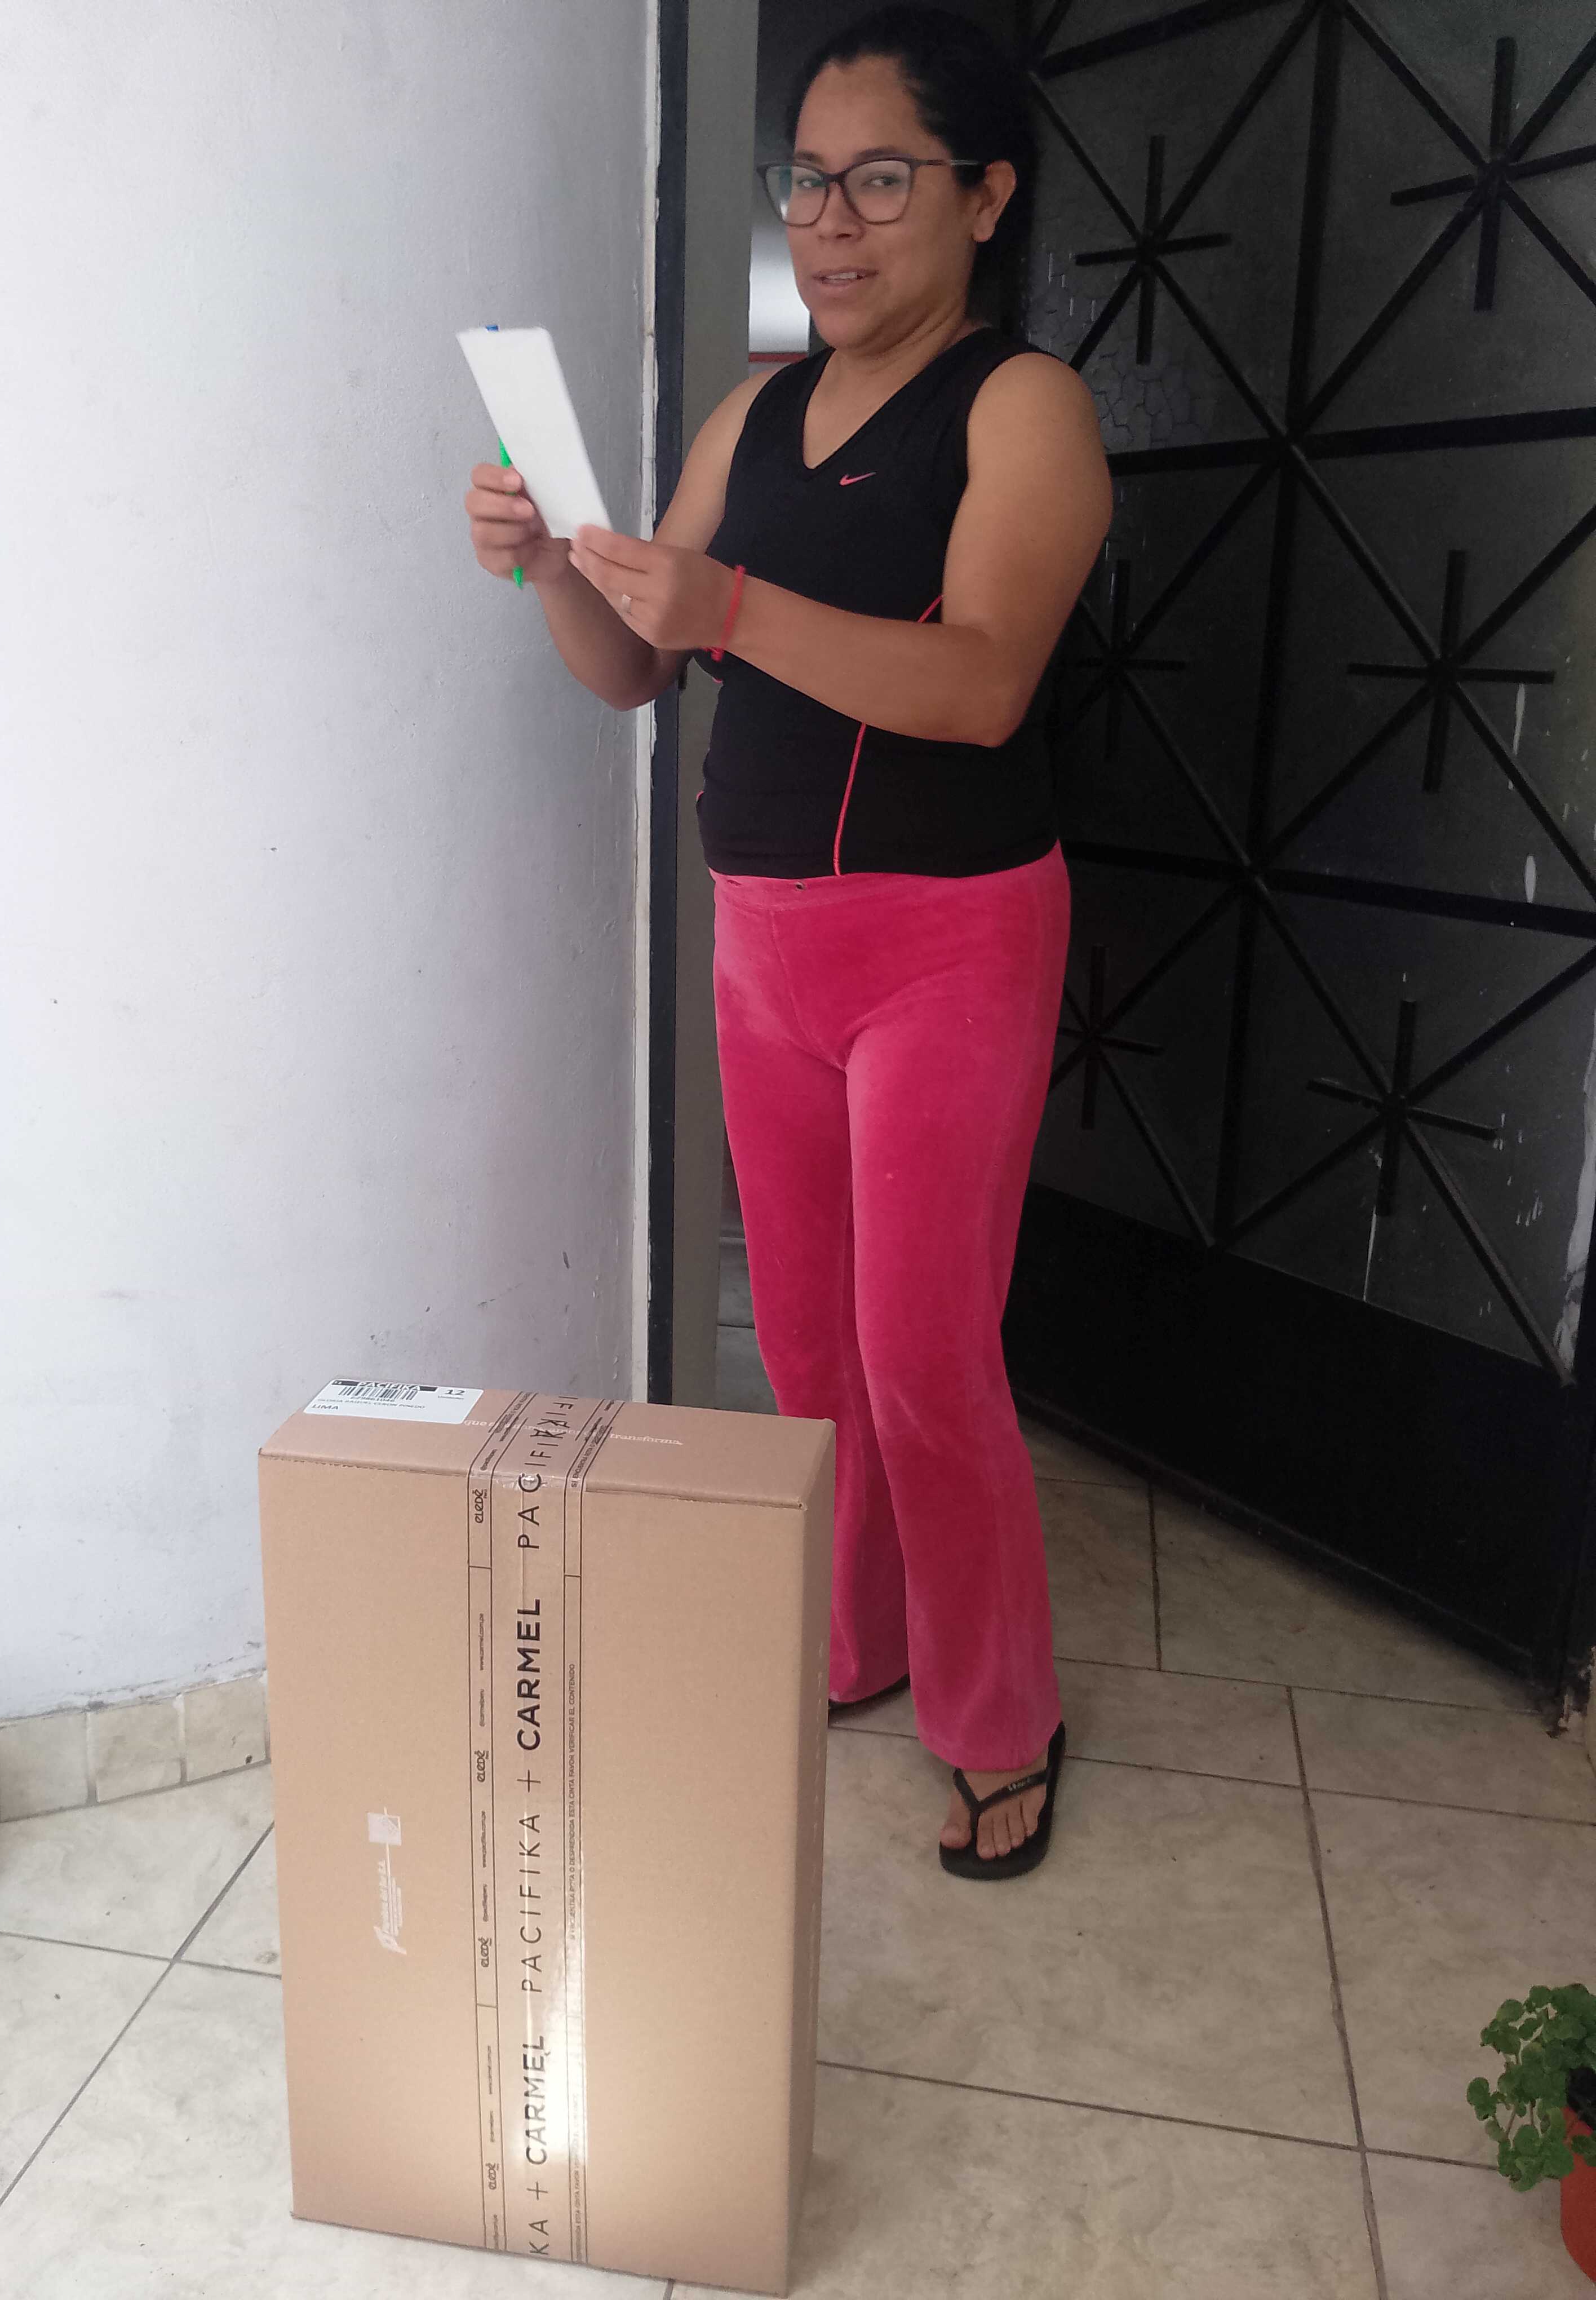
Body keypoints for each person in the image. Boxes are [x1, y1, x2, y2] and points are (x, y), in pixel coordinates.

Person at [463, 4, 1111, 1880]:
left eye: (881, 179)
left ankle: (998, 1711)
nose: (830, 222)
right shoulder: (750, 417)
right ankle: (861, 1635)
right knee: (814, 1349)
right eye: (807, 180)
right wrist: (552, 564)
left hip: (948, 939)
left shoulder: (1021, 408)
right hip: (766, 937)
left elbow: (981, 685)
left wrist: (730, 603)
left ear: (984, 195)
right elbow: (631, 670)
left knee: (925, 1358)